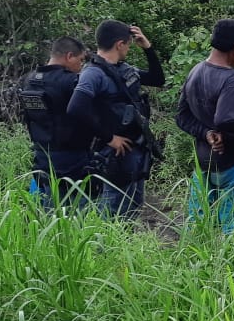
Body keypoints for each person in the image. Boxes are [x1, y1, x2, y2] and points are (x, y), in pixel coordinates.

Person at [67, 20, 165, 218]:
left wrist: (148, 48)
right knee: (112, 212)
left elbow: (157, 79)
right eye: (128, 45)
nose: (129, 49)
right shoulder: (93, 73)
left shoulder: (124, 69)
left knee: (133, 207)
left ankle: (125, 246)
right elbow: (75, 108)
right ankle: (103, 248)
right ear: (120, 44)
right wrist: (110, 138)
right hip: (114, 155)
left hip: (135, 151)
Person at [176, 19, 234, 234]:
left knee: (202, 223)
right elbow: (225, 120)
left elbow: (182, 116)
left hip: (205, 162)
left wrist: (207, 134)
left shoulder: (195, 71)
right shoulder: (233, 79)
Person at [17, 36, 90, 208]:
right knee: (74, 210)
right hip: (71, 157)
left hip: (41, 153)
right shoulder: (70, 81)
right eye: (80, 60)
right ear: (69, 56)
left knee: (43, 204)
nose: (80, 66)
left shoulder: (29, 80)